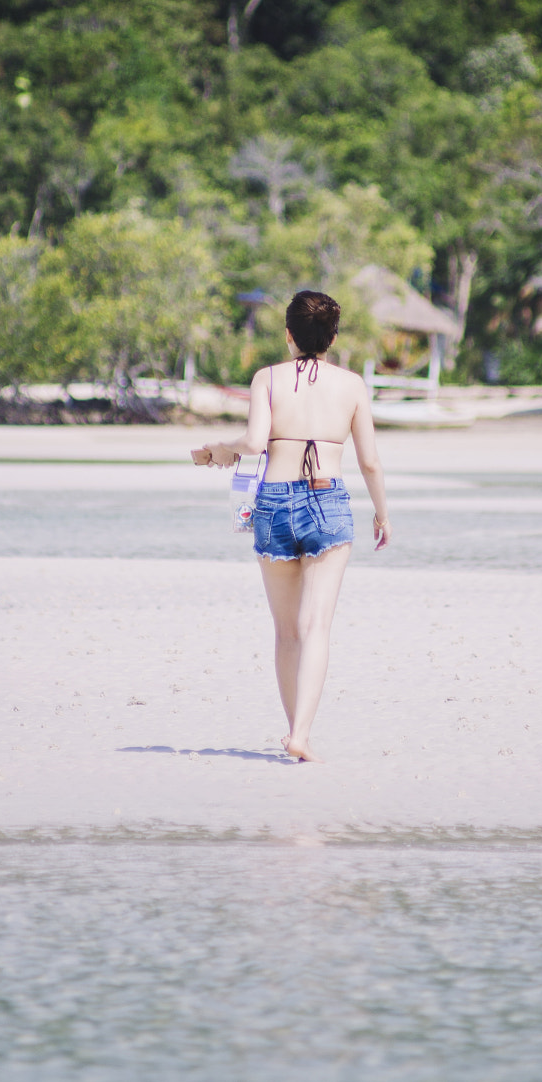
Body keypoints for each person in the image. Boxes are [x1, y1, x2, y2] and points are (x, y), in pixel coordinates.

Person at [190, 290, 390, 762]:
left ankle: (292, 730)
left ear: (288, 336)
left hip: (274, 503)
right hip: (328, 499)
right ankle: (300, 733)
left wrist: (220, 446)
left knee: (286, 632)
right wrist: (382, 512)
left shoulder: (267, 378)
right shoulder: (353, 385)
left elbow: (256, 443)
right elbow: (370, 462)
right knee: (316, 626)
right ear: (333, 337)